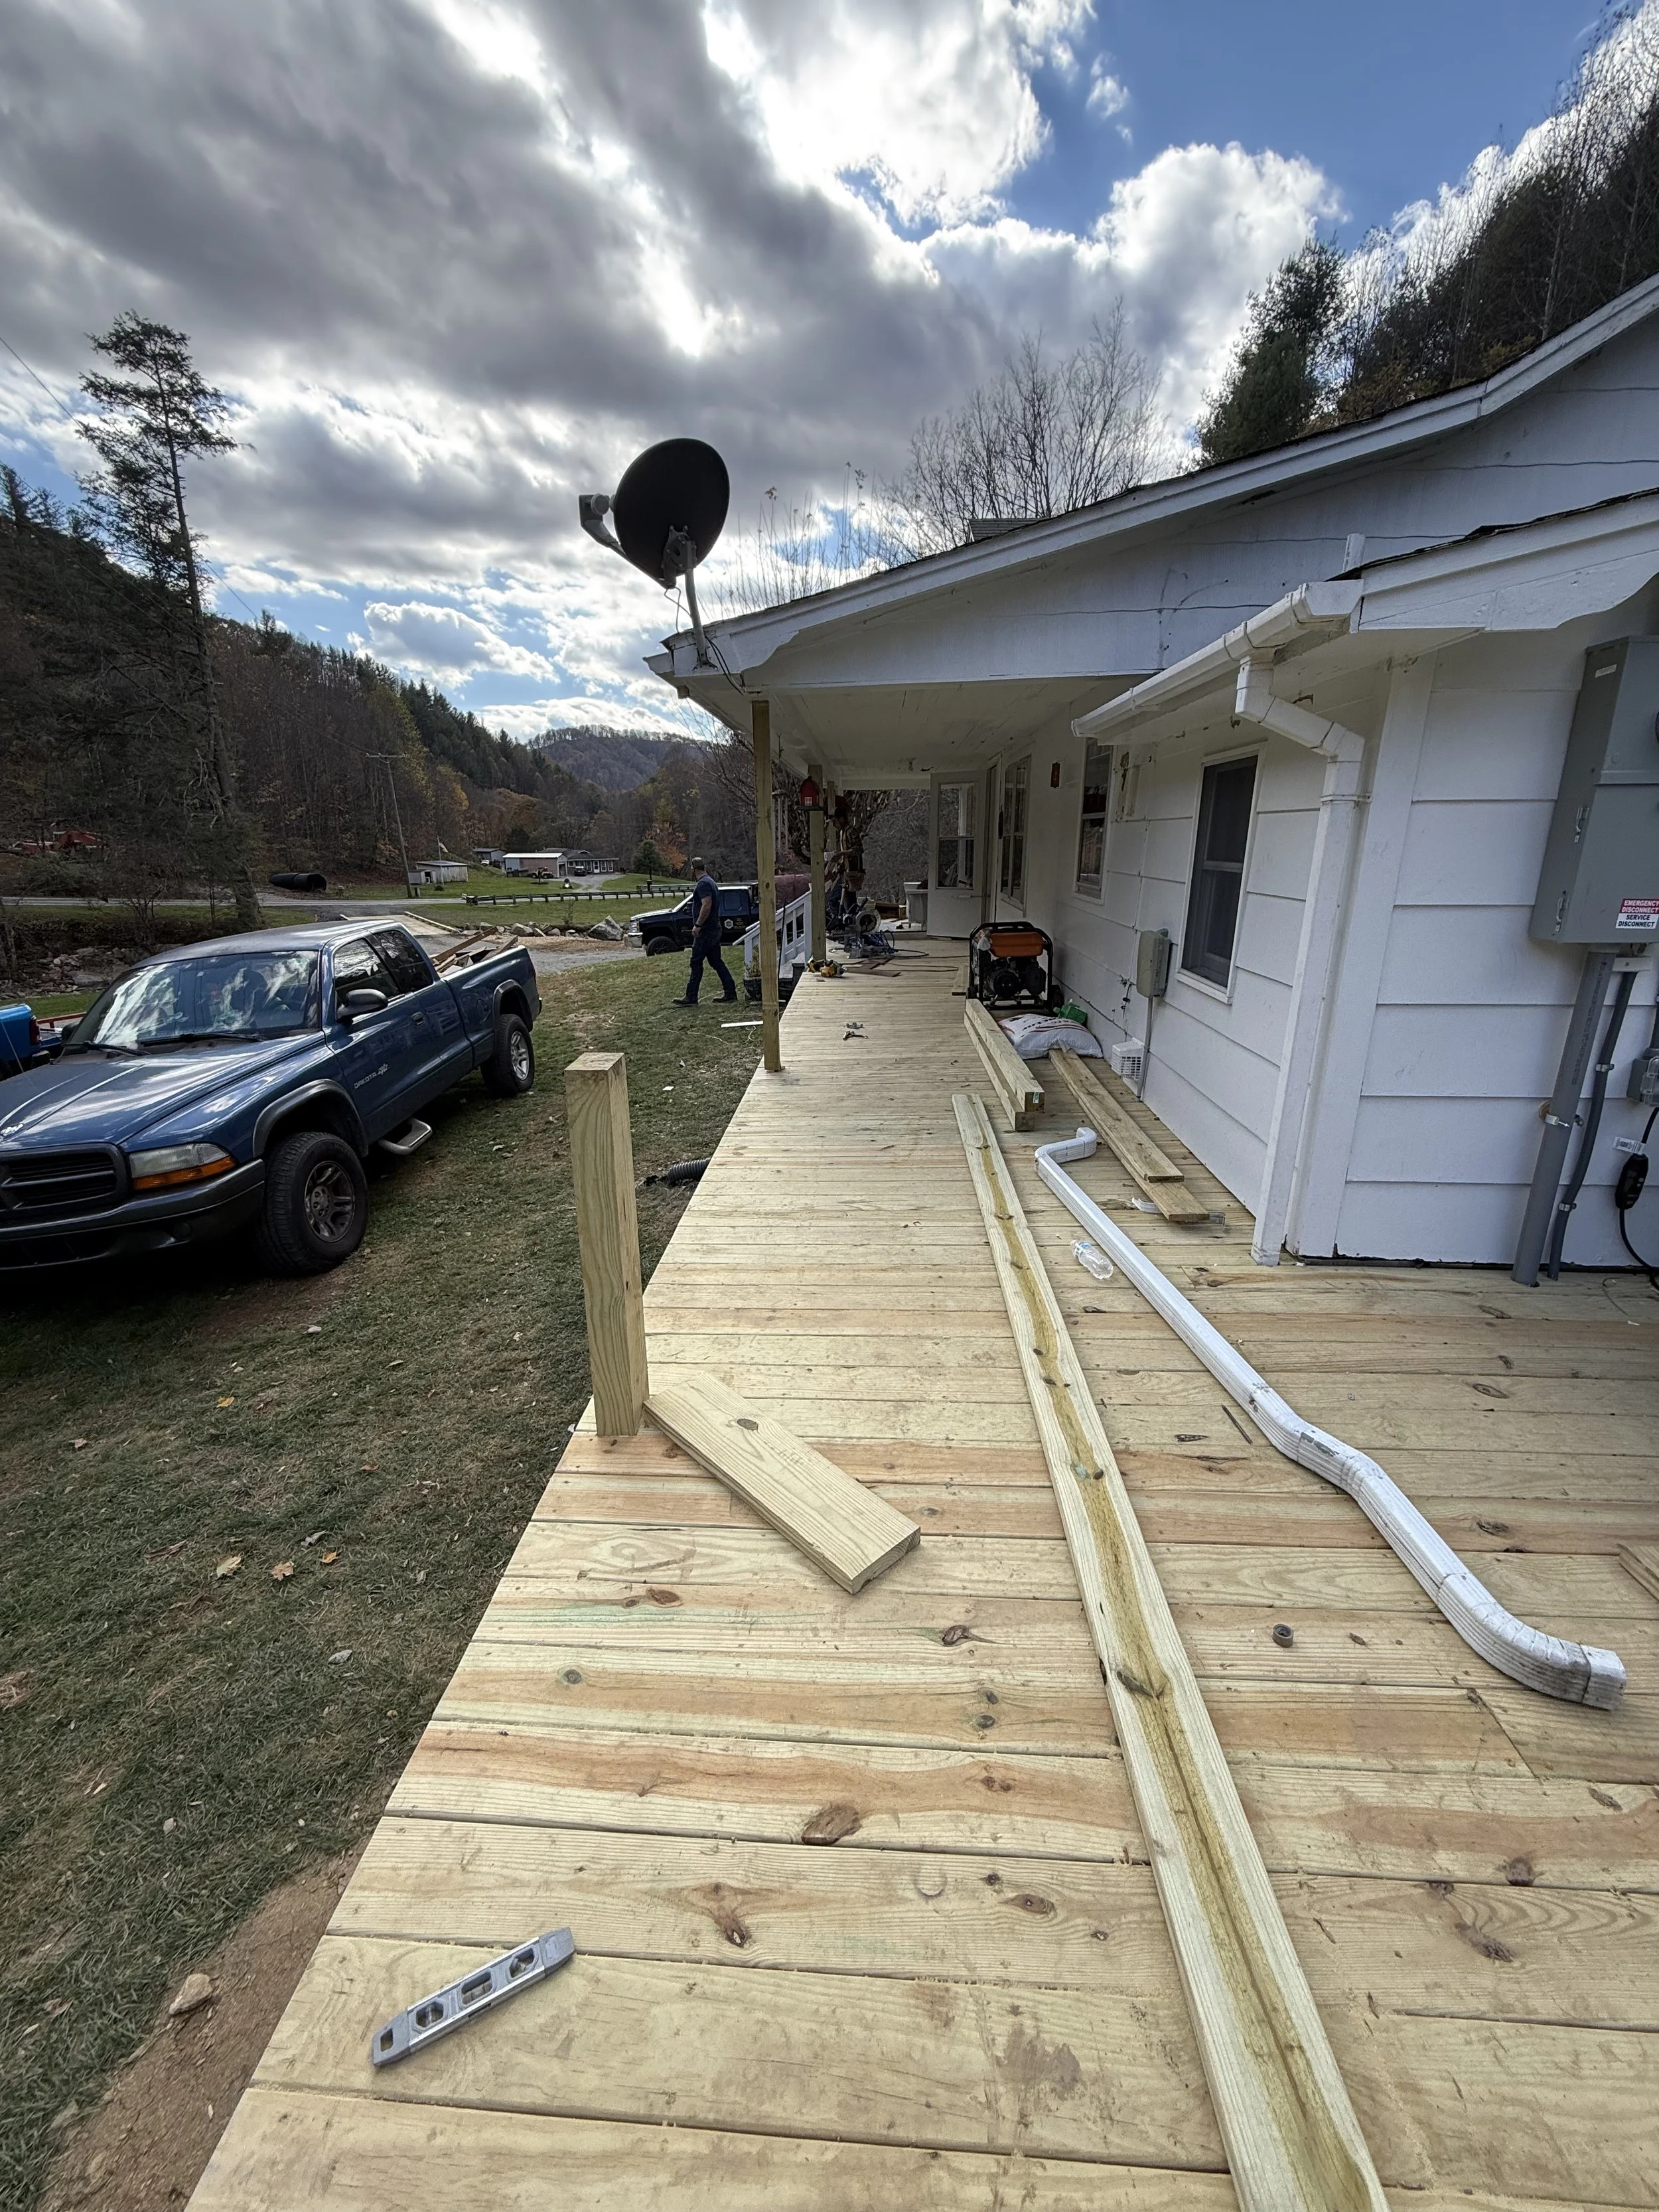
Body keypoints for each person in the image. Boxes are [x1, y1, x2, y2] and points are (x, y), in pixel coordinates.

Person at [674, 855, 737, 1006]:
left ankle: (691, 997)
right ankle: (730, 992)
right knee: (716, 962)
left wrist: (698, 925)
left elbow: (706, 905)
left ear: (693, 869)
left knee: (696, 962)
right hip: (714, 929)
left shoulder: (703, 884)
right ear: (705, 867)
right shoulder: (711, 882)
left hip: (706, 931)